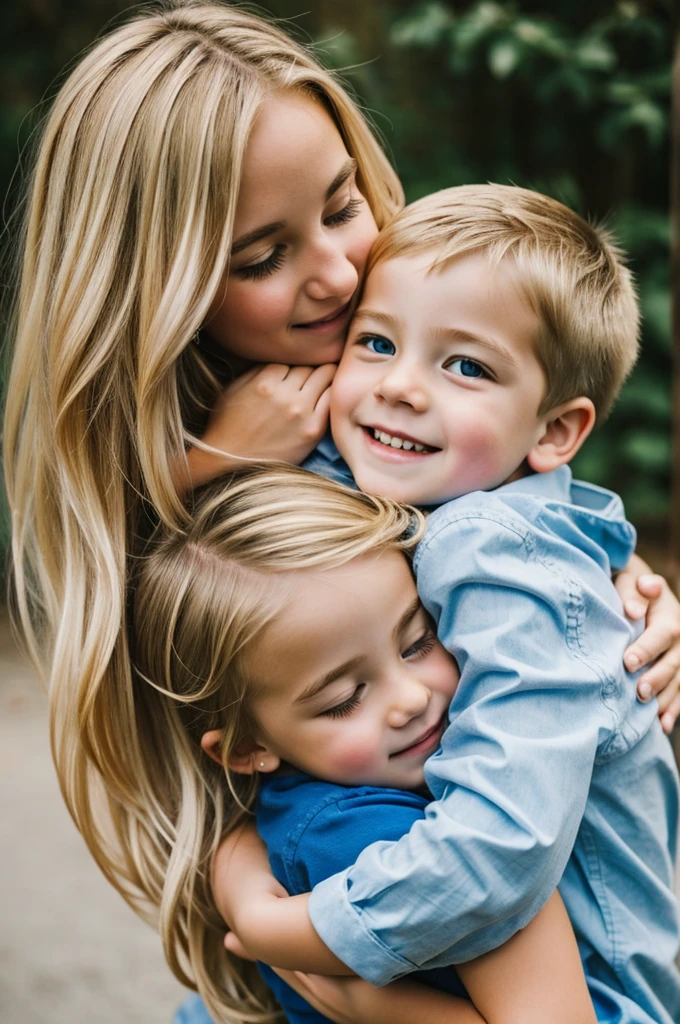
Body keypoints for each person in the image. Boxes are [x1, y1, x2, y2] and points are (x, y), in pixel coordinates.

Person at [2, 0, 679, 1018]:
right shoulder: (204, 505)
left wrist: (614, 587)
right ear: (155, 292)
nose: (333, 271)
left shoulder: (415, 413)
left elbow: (519, 531)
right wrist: (199, 467)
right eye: (259, 256)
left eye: (340, 205)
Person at [214, 187, 680, 1024]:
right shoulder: (439, 481)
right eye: (378, 341)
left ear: (551, 434)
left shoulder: (491, 548)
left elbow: (503, 843)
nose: (400, 387)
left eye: (465, 365)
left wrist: (284, 925)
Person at [133, 462, 597, 1024]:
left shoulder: (292, 811)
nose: (409, 698)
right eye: (345, 699)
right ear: (244, 749)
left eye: (418, 640)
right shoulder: (418, 845)